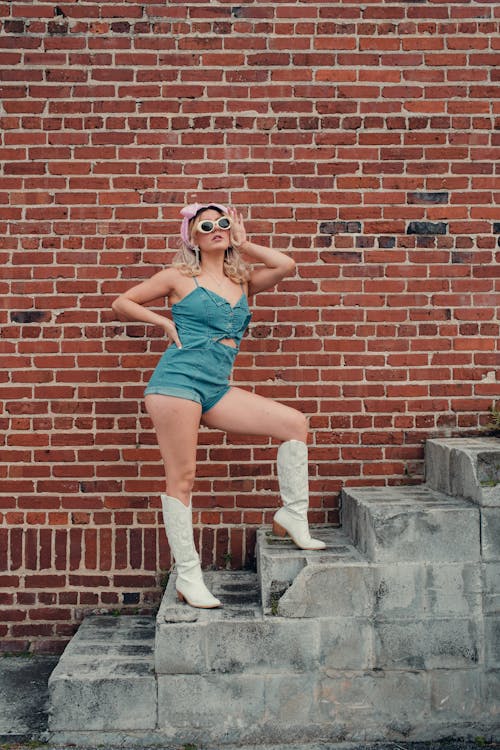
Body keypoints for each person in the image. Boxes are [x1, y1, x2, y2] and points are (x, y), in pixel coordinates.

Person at [112, 202, 325, 609]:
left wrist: (247, 244)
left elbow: (285, 265)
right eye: (205, 224)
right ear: (191, 236)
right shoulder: (177, 277)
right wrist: (164, 322)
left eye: (222, 222)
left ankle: (292, 515)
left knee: (294, 424)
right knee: (183, 478)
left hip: (216, 387)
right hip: (176, 384)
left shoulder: (242, 280)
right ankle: (189, 576)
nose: (216, 229)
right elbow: (123, 302)